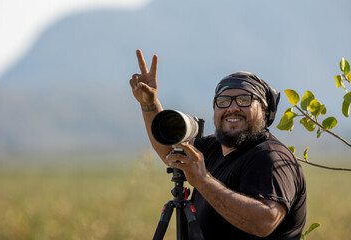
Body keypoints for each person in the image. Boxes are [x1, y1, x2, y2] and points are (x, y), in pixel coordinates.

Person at [129, 49, 306, 239]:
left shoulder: (270, 157)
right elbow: (169, 152)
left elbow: (265, 222)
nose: (232, 107)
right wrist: (149, 104)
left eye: (244, 100)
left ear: (264, 110)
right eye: (223, 101)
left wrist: (203, 181)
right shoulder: (214, 148)